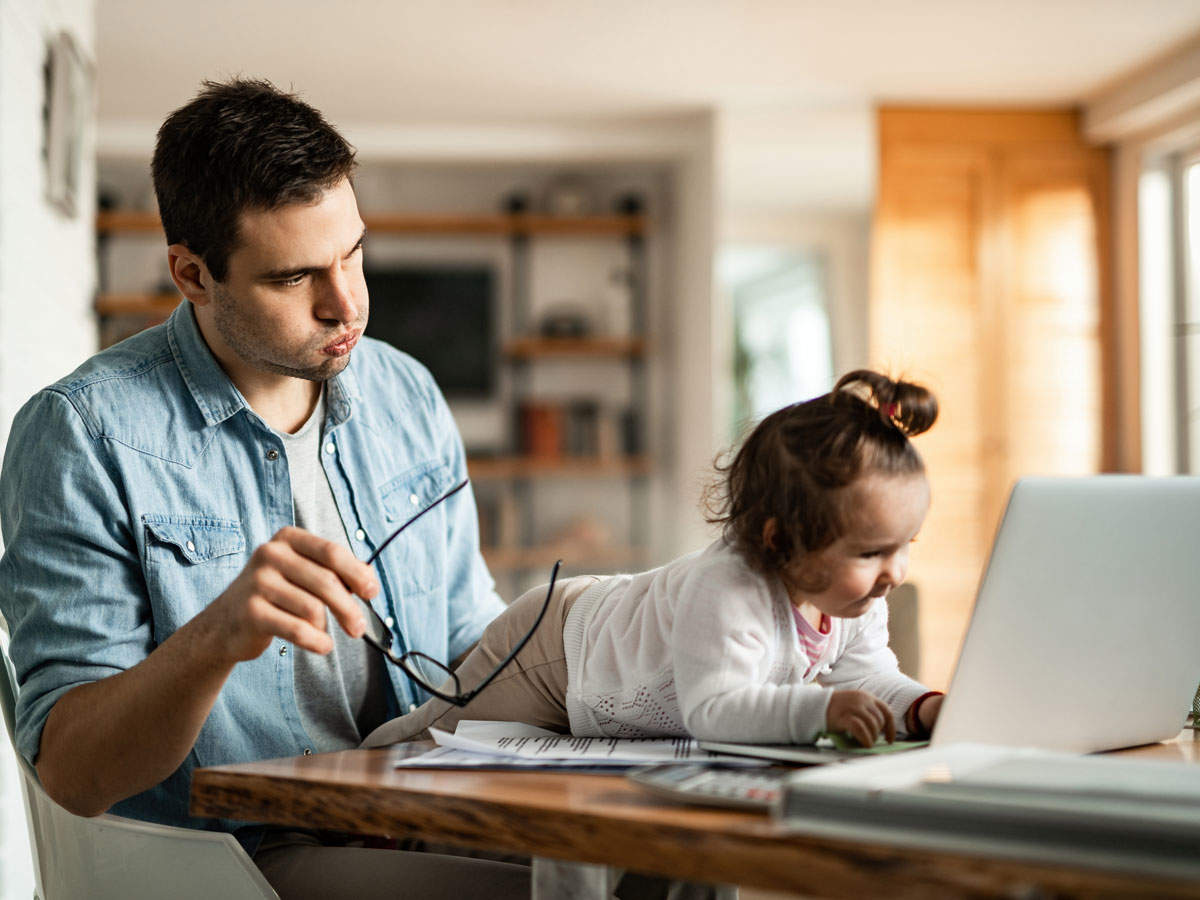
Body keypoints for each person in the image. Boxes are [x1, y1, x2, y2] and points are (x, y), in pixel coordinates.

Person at [0, 79, 530, 899]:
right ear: (192, 274)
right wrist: (212, 641)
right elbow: (71, 772)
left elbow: (468, 639)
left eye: (353, 253)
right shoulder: (83, 433)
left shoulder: (407, 393)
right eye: (293, 279)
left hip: (419, 816)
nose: (345, 302)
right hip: (227, 858)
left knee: (650, 876)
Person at [363, 370, 946, 750]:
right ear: (779, 539)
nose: (894, 573)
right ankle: (347, 786)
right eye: (872, 553)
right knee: (434, 737)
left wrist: (921, 707)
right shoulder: (730, 588)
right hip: (558, 650)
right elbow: (715, 709)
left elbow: (869, 676)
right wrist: (822, 710)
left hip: (599, 688)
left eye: (906, 546)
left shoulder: (853, 600)